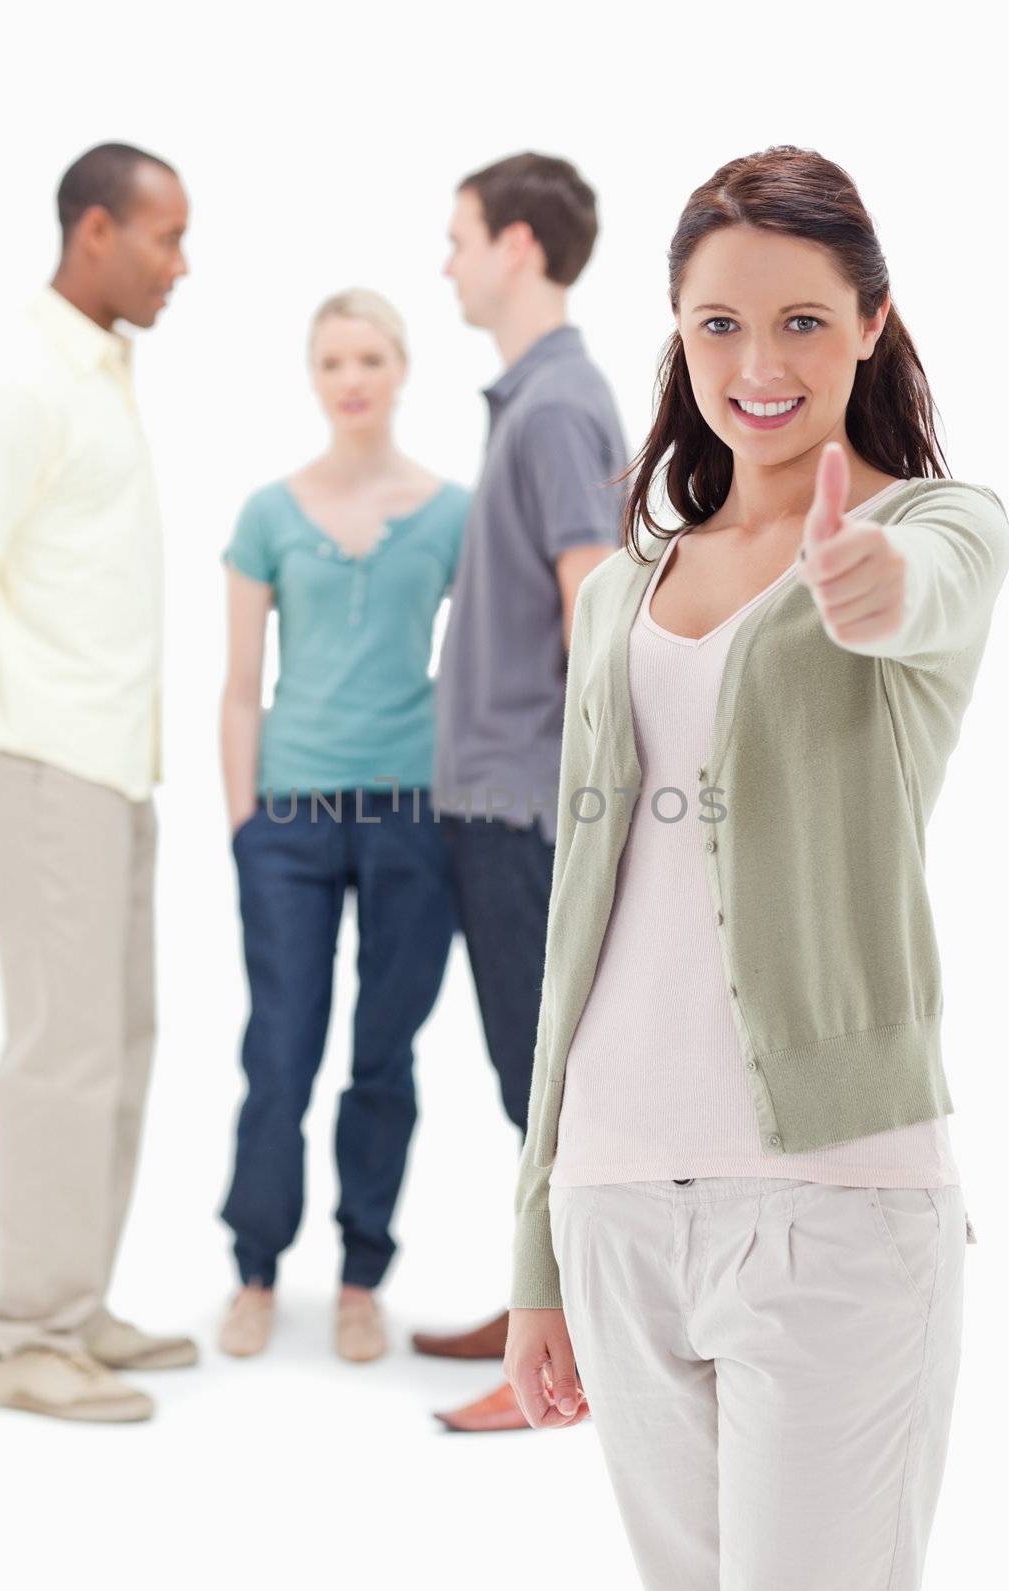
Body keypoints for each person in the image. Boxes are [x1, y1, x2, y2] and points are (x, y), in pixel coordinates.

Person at [504, 144, 1009, 1591]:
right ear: (678, 329)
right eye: (719, 322)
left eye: (802, 321)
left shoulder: (935, 526)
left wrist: (865, 589)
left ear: (872, 323)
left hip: (835, 1208)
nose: (758, 362)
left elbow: (929, 598)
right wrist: (537, 1240)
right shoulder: (618, 591)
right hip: (610, 1201)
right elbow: (572, 935)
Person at [0, 142, 195, 1424]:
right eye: (167, 238)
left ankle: (73, 1301)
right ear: (97, 229)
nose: (182, 264)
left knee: (118, 1040)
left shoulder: (100, 371)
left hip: (114, 763)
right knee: (62, 1053)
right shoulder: (21, 372)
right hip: (43, 758)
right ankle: (24, 1336)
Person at [410, 153, 628, 1431]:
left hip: (526, 811)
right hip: (486, 801)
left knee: (546, 1084)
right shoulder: (532, 400)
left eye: (458, 236)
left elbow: (594, 626)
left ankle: (575, 1351)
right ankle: (542, 1302)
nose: (446, 260)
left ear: (520, 247)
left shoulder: (554, 407)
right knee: (521, 1076)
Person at [217, 289, 469, 1363]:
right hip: (290, 817)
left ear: (402, 368)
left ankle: (362, 1274)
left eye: (370, 356)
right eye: (332, 361)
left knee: (384, 1052)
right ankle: (256, 1269)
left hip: (414, 813)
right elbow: (239, 687)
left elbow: (495, 663)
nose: (352, 378)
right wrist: (243, 825)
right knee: (281, 1050)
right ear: (314, 378)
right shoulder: (269, 514)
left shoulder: (454, 512)